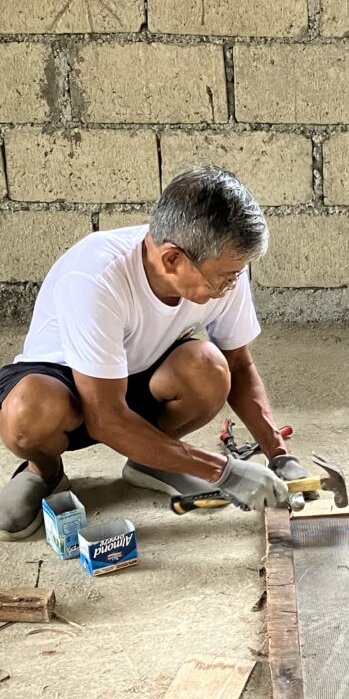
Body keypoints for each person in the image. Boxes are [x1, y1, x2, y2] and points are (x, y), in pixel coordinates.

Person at [0, 165, 317, 541]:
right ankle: (44, 472)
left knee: (210, 369)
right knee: (28, 413)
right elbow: (105, 418)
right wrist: (223, 471)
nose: (233, 283)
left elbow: (238, 364)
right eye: (226, 275)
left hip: (140, 377)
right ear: (171, 260)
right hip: (69, 387)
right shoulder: (96, 278)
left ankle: (151, 461)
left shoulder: (222, 270)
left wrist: (279, 455)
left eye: (238, 273)